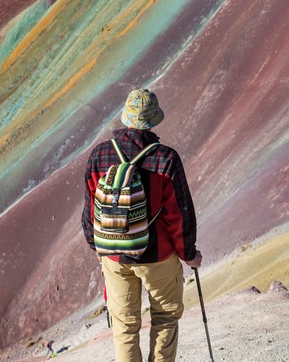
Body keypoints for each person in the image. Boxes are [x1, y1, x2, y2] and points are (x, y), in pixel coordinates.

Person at [82, 88, 201, 362]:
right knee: (165, 318)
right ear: (153, 121)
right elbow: (179, 214)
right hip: (157, 258)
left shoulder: (99, 155)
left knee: (124, 327)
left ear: (126, 118)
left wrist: (101, 249)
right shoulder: (165, 159)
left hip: (114, 257)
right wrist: (189, 254)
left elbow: (89, 211)